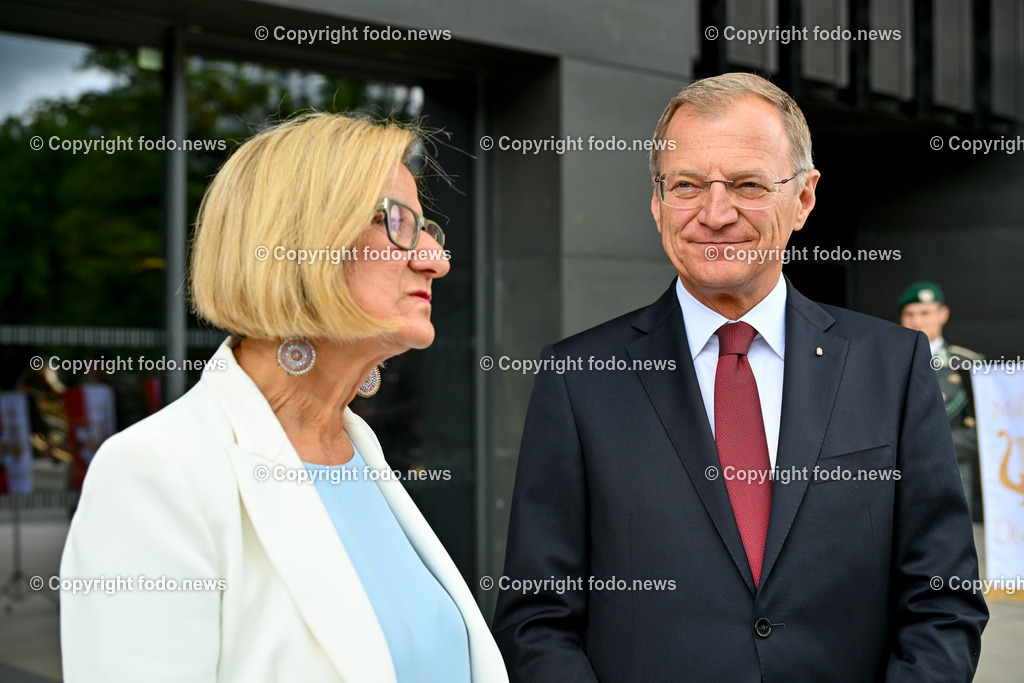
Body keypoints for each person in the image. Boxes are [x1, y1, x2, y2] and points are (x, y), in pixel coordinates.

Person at [492, 73, 987, 681]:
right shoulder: (578, 381)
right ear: (657, 202)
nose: (715, 213)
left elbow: (942, 602)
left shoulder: (893, 366)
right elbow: (536, 618)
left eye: (748, 184)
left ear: (803, 199)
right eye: (687, 185)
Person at [60, 113, 508, 682]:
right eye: (392, 221)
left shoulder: (357, 454)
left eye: (426, 229)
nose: (435, 260)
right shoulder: (155, 473)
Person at [899, 280, 984, 521]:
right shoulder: (887, 363)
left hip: (950, 482)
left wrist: (924, 444)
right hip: (898, 484)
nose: (917, 321)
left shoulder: (968, 364)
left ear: (942, 314)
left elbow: (985, 433)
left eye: (925, 313)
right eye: (910, 314)